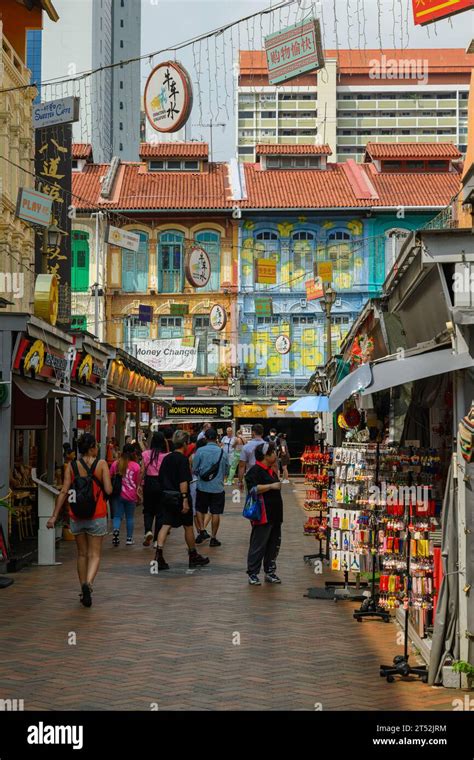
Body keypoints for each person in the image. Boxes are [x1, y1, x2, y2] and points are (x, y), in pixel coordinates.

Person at [46, 433, 113, 607]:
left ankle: (82, 585)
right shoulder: (101, 464)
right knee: (95, 554)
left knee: (82, 554)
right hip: (97, 514)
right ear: (92, 448)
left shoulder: (71, 466)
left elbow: (64, 491)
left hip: (76, 515)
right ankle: (88, 584)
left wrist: (54, 516)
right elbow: (108, 489)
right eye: (96, 445)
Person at [155, 430, 210, 571]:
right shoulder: (183, 459)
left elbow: (160, 478)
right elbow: (183, 481)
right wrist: (185, 499)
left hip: (166, 496)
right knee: (188, 526)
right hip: (180, 497)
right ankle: (193, 555)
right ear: (185, 443)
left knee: (166, 525)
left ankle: (158, 555)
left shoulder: (167, 458)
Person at [244, 442, 283, 586]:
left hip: (275, 514)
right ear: (266, 455)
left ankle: (270, 571)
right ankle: (253, 573)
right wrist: (271, 486)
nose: (275, 454)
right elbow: (252, 489)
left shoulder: (270, 470)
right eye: (273, 452)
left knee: (274, 544)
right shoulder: (255, 471)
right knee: (258, 544)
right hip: (263, 514)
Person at [192, 427, 229, 547]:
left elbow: (194, 469)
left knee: (199, 509)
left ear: (205, 438)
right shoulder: (222, 452)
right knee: (216, 512)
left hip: (202, 486)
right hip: (218, 487)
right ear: (216, 438)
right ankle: (213, 537)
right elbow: (226, 470)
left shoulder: (200, 451)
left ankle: (202, 530)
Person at [110, 443, 141, 546]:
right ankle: (129, 538)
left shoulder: (115, 464)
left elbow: (110, 476)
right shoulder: (136, 466)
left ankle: (115, 530)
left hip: (118, 494)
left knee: (117, 516)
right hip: (131, 494)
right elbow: (138, 482)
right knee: (130, 517)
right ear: (133, 453)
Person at [141, 432, 168, 547]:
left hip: (149, 483)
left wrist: (139, 484)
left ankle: (148, 530)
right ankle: (157, 539)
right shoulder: (166, 456)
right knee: (160, 512)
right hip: (162, 484)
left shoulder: (146, 454)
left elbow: (142, 471)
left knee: (148, 509)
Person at [190, 437, 209, 536]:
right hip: (205, 483)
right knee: (207, 508)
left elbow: (190, 471)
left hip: (193, 482)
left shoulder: (192, 456)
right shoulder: (209, 456)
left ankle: (199, 530)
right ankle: (203, 528)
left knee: (195, 507)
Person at [238, 423, 265, 488]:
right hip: (265, 477)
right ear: (262, 433)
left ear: (252, 433)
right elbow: (274, 465)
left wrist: (240, 481)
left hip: (251, 477)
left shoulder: (246, 447)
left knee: (251, 497)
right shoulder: (268, 446)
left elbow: (241, 466)